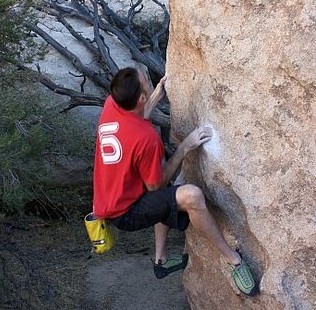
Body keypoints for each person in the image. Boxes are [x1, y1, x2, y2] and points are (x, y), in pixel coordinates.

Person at [93, 67, 257, 296]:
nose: (146, 77)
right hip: (125, 213)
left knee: (161, 184)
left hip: (109, 197)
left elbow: (136, 120)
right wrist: (185, 147)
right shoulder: (147, 139)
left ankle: (160, 260)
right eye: (146, 80)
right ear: (140, 97)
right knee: (191, 196)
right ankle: (234, 260)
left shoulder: (112, 104)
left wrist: (153, 98)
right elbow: (156, 187)